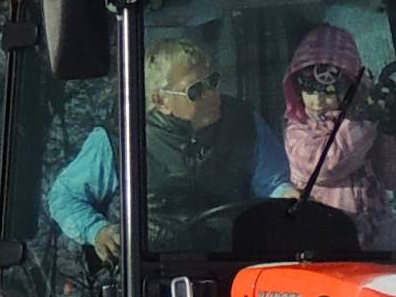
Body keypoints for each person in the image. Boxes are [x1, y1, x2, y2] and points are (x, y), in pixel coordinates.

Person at [45, 36, 253, 261]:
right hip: (150, 268)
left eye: (213, 81)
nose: (211, 93)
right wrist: (97, 231)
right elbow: (64, 197)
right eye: (195, 90)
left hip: (233, 262)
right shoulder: (119, 142)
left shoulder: (244, 123)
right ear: (161, 101)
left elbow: (274, 184)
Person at [268, 20, 396, 238]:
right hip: (325, 240)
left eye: (328, 91)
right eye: (309, 90)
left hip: (376, 243)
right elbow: (327, 166)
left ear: (350, 87)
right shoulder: (298, 130)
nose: (317, 100)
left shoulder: (366, 123)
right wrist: (364, 122)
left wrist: (389, 132)